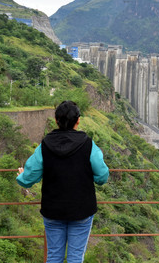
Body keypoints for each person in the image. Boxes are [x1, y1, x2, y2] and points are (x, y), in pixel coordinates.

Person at [16, 100, 109, 263]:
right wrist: (85, 174)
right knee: (75, 257)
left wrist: (22, 175)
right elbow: (102, 176)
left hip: (53, 209)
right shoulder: (88, 145)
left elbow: (28, 179)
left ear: (56, 120)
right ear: (78, 120)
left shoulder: (45, 145)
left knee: (53, 256)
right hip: (81, 209)